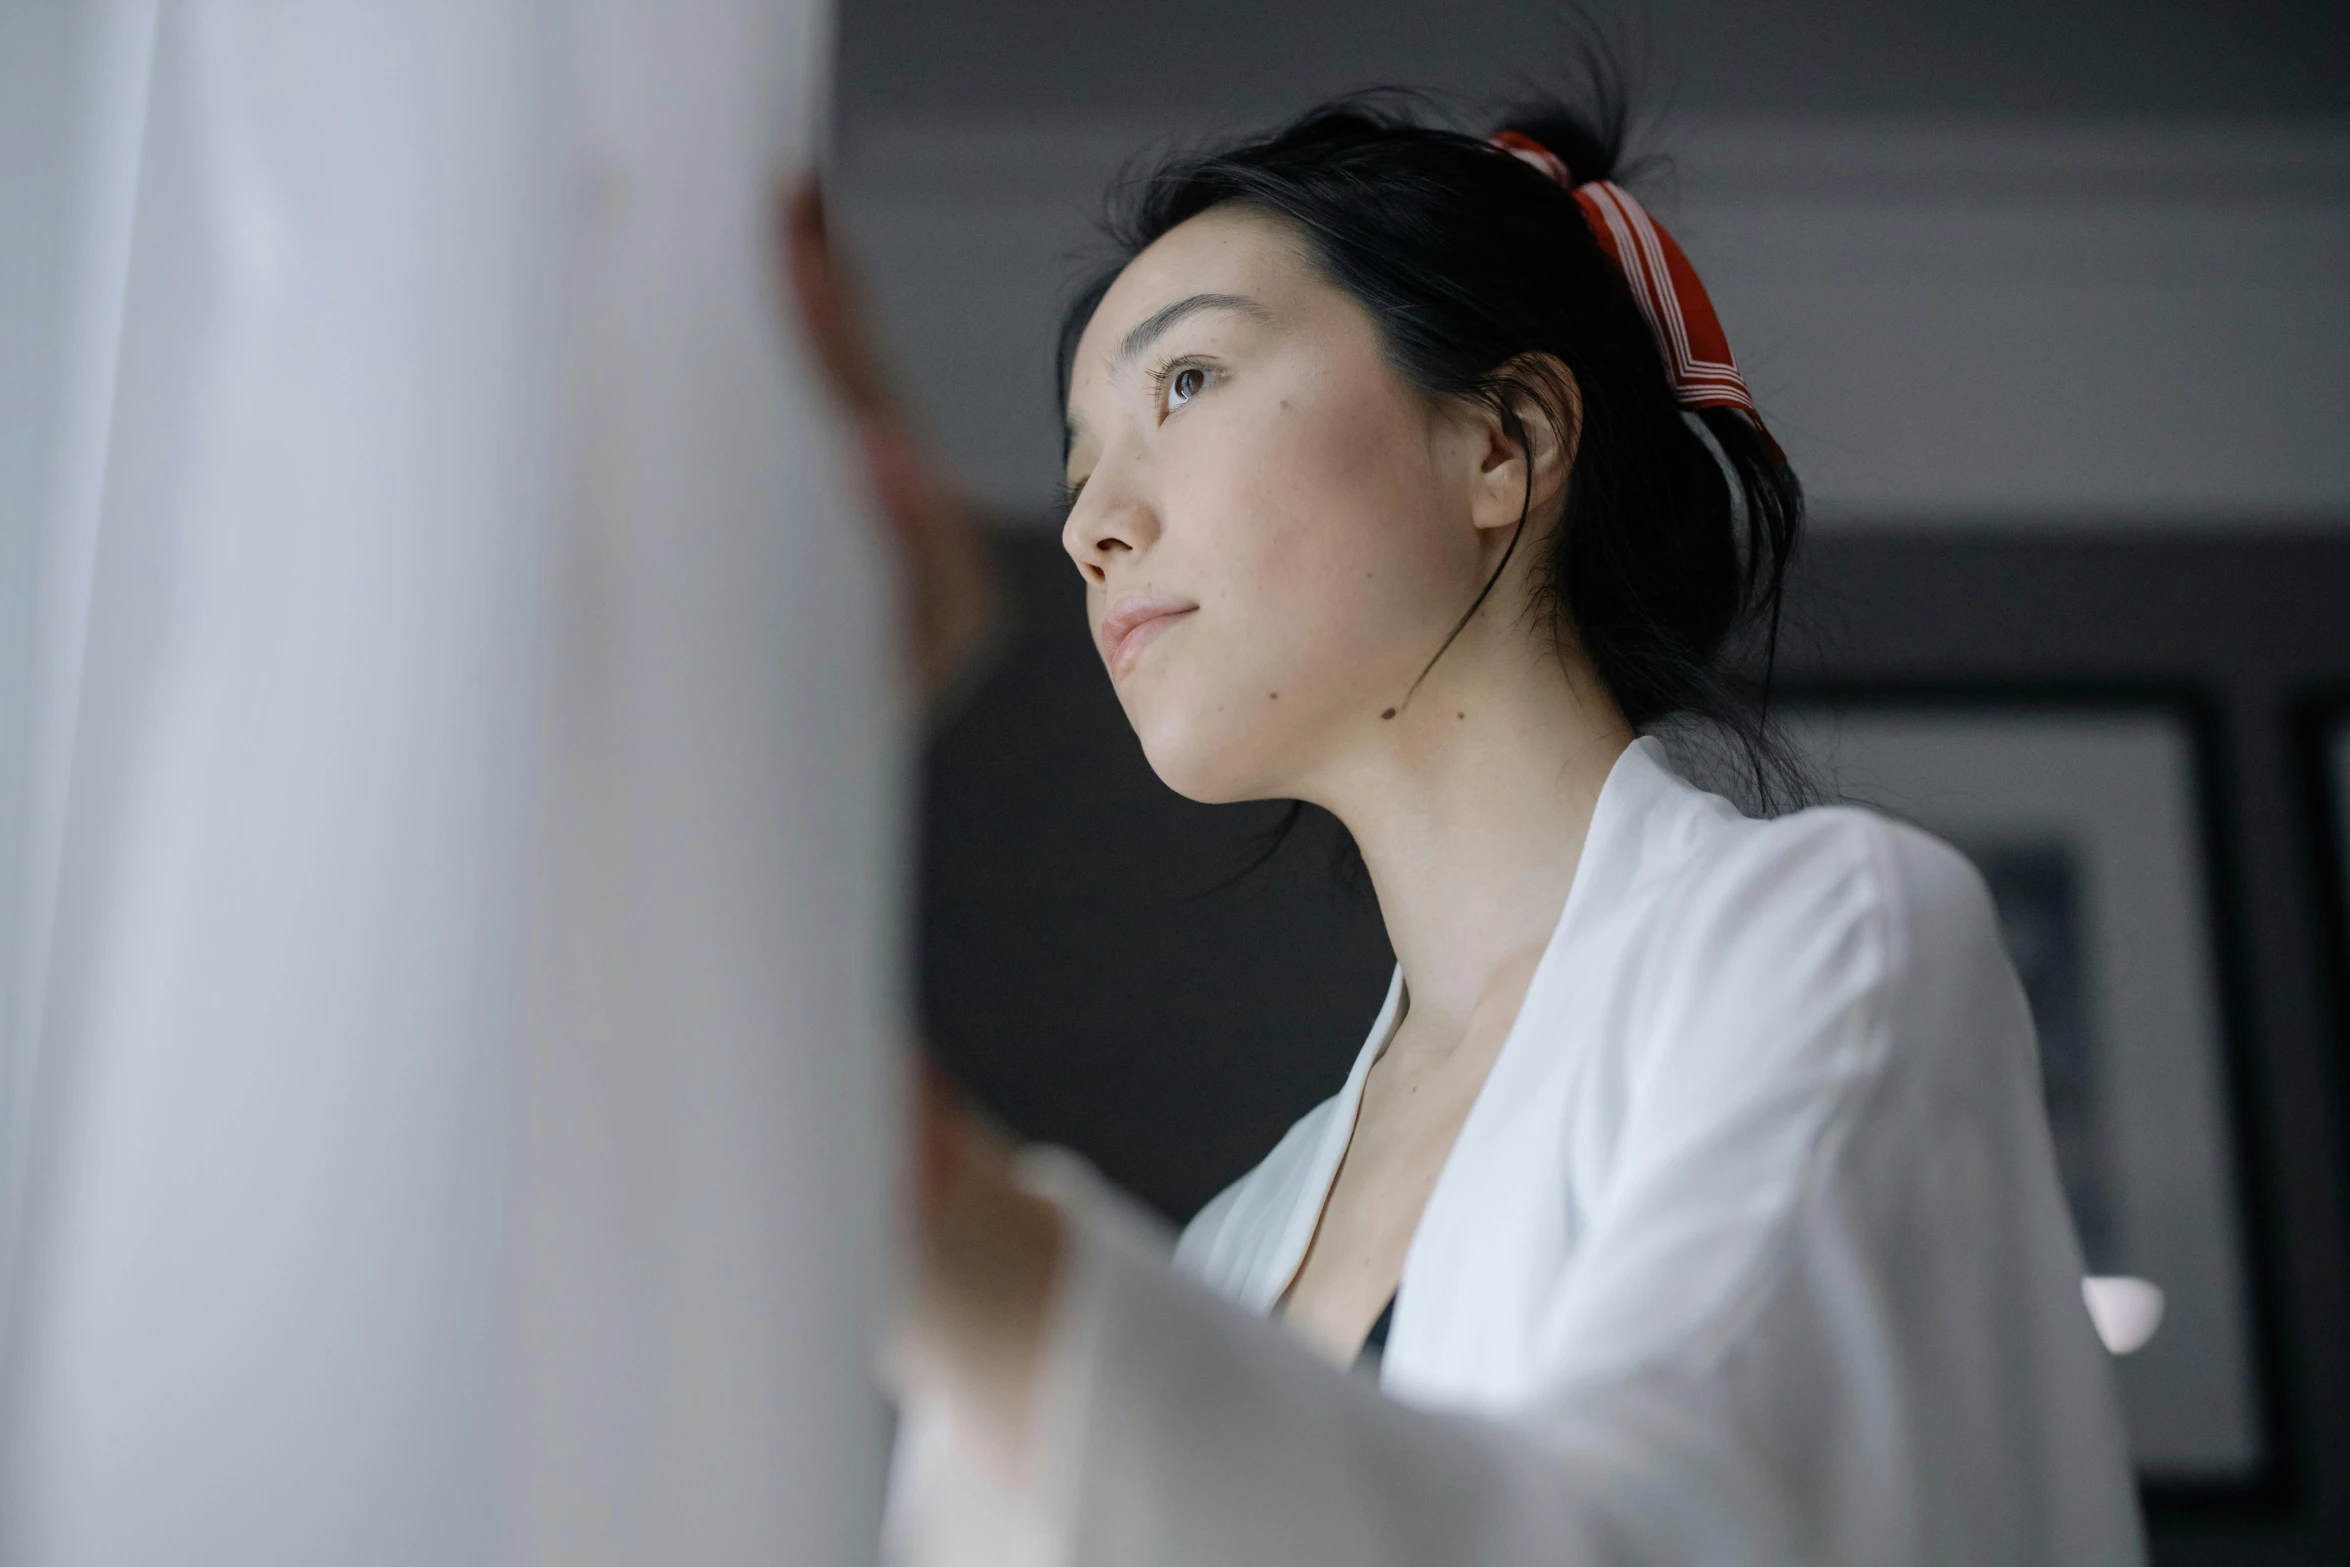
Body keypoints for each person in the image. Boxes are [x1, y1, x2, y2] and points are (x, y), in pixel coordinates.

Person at [785, 88, 2145, 1567]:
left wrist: (925, 1207)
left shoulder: (1839, 935)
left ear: (1503, 441)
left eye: (1182, 382)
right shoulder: (1238, 1240)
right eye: (1071, 466)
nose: (1087, 522)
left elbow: (1642, 1537)